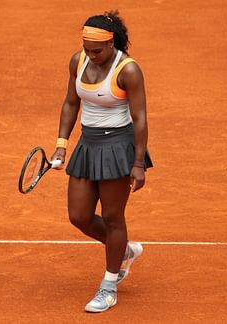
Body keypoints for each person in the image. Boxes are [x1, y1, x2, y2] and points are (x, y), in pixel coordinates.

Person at [51, 10, 153, 313]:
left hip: (118, 146)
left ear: (112, 44)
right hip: (88, 143)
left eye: (96, 50)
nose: (90, 55)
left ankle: (109, 287)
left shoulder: (128, 71)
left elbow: (140, 118)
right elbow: (71, 102)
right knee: (79, 216)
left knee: (112, 217)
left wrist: (138, 162)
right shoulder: (78, 61)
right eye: (86, 49)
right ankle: (124, 250)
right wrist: (61, 145)